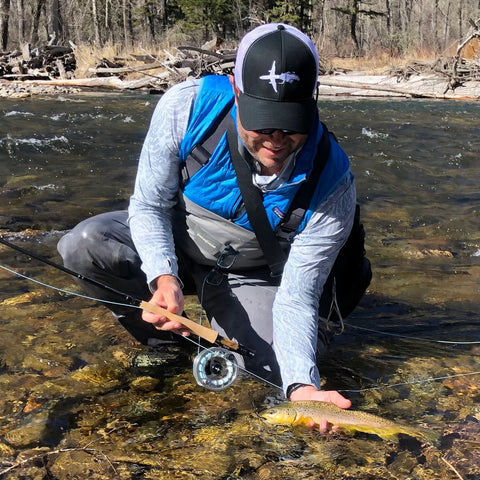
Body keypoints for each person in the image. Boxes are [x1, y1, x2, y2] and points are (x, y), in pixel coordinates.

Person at [58, 23, 370, 429]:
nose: (276, 139)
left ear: (313, 101)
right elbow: (149, 206)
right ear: (236, 92)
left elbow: (297, 297)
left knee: (273, 372)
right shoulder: (187, 109)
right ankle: (166, 345)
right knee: (84, 244)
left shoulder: (333, 182)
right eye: (263, 123)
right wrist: (163, 276)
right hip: (181, 247)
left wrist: (301, 387)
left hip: (253, 273)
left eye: (291, 125)